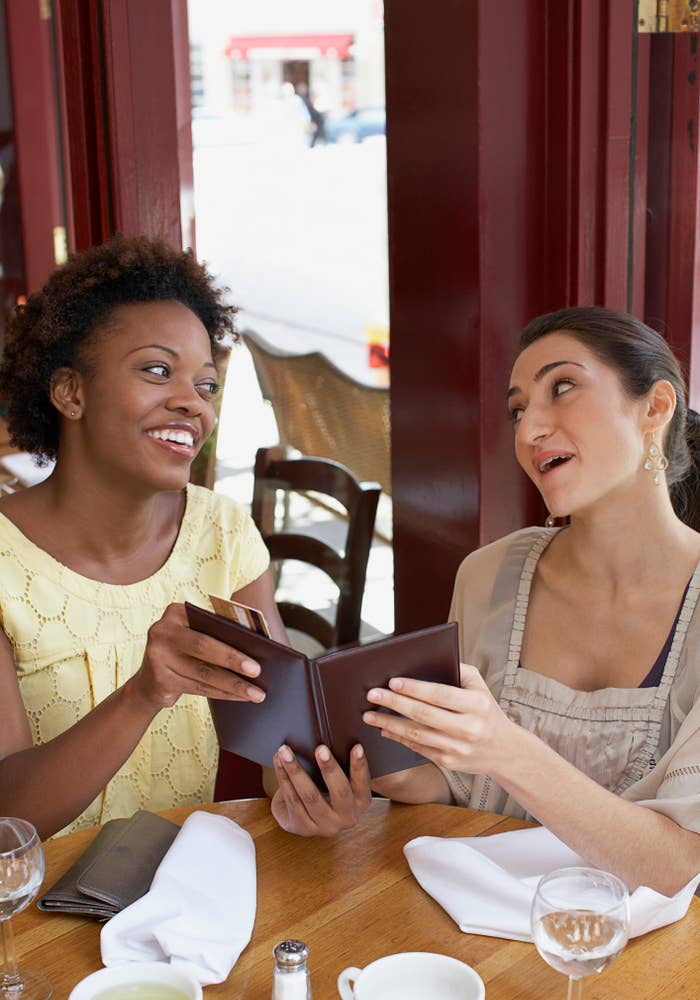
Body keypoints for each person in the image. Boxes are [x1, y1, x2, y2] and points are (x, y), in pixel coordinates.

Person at [269, 306, 700, 897]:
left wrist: (506, 749)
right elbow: (457, 783)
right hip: (484, 928)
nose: (527, 431)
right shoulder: (491, 574)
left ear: (655, 407)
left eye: (563, 387)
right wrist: (357, 776)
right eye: (518, 409)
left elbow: (683, 869)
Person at [0, 235, 288, 839]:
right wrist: (143, 693)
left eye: (206, 385)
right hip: (30, 920)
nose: (193, 405)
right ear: (70, 392)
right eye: (158, 371)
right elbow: (7, 821)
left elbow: (279, 745)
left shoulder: (223, 533)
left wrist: (309, 786)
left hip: (177, 902)